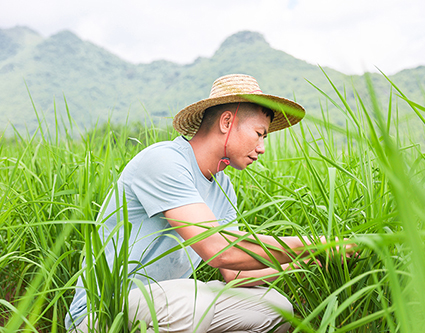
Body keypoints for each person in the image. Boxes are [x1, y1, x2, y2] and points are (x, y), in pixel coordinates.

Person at [65, 74, 343, 333]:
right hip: (102, 314)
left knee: (276, 308)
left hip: (171, 306)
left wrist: (302, 260)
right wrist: (311, 242)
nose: (262, 147)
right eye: (259, 134)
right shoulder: (165, 161)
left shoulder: (223, 187)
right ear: (226, 122)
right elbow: (217, 250)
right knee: (191, 300)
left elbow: (234, 272)